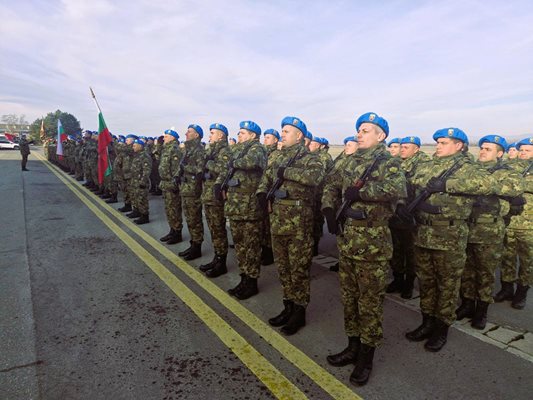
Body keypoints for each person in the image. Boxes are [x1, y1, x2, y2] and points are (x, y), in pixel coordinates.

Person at [322, 112, 406, 386]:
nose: (360, 133)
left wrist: (362, 193)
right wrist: (328, 208)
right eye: (359, 129)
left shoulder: (388, 163)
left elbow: (397, 190)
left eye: (366, 130)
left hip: (372, 242)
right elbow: (332, 184)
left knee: (369, 301)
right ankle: (353, 345)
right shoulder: (349, 160)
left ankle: (366, 357)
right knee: (349, 296)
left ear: (381, 135)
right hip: (348, 239)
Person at [405, 127, 493, 352]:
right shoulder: (428, 164)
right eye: (438, 142)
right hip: (423, 233)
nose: (438, 145)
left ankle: (441, 328)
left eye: (444, 142)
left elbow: (484, 185)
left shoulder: (469, 167)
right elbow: (413, 181)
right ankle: (427, 322)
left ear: (459, 145)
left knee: (448, 284)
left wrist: (446, 185)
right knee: (426, 280)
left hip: (450, 236)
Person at [257, 116, 324, 335]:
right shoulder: (276, 156)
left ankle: (299, 311)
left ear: (299, 136)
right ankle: (287, 305)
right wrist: (261, 195)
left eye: (287, 131)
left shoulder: (309, 157)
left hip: (298, 221)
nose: (283, 134)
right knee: (283, 267)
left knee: (298, 269)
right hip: (277, 219)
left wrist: (286, 172)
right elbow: (266, 179)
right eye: (282, 130)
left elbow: (315, 177)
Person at [456, 135, 523, 329]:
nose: (483, 151)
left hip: (489, 230)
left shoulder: (506, 172)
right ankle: (467, 304)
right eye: (482, 148)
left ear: (500, 153)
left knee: (485, 272)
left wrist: (483, 189)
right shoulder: (470, 170)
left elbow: (514, 188)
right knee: (466, 269)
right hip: (466, 227)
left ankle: (481, 311)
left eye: (488, 149)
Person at [215, 120, 266, 300]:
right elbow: (226, 168)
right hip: (236, 205)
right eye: (239, 133)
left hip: (250, 206)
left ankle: (252, 281)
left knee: (251, 245)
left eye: (243, 133)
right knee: (240, 244)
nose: (239, 135)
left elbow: (251, 162)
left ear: (253, 135)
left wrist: (232, 161)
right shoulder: (237, 149)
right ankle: (244, 278)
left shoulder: (257, 149)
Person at [386, 136, 430, 298]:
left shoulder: (423, 165)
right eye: (401, 147)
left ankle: (409, 283)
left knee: (411, 252)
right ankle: (397, 279)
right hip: (395, 214)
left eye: (406, 147)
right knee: (396, 250)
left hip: (412, 217)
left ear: (416, 149)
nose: (402, 149)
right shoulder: (395, 163)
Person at [495, 137, 533, 309]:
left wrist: (517, 186)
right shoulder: (511, 167)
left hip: (529, 224)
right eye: (522, 150)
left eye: (528, 150)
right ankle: (507, 287)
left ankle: (522, 292)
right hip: (509, 220)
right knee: (507, 256)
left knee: (527, 260)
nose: (524, 153)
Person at [200, 123, 231, 277]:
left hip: (215, 196)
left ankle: (221, 262)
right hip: (208, 194)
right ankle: (217, 257)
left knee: (218, 229)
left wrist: (209, 164)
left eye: (212, 133)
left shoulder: (225, 151)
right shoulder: (212, 149)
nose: (209, 135)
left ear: (221, 135)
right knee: (213, 229)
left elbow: (224, 169)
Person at [176, 124, 206, 261]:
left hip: (193, 189)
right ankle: (193, 244)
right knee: (189, 218)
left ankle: (197, 247)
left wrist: (185, 167)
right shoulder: (188, 150)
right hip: (186, 188)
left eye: (189, 132)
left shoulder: (199, 150)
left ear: (197, 135)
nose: (186, 133)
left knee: (195, 218)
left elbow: (199, 170)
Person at [259, 128, 281, 266]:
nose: (265, 139)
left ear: (275, 140)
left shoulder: (276, 154)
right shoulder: (262, 152)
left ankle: (269, 251)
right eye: (265, 137)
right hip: (261, 190)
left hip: (270, 192)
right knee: (262, 223)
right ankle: (264, 248)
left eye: (269, 137)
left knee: (268, 224)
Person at [158, 129, 184, 245]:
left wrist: (174, 183)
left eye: (166, 136)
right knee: (169, 209)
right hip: (165, 183)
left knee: (174, 209)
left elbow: (176, 169)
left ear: (173, 138)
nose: (164, 138)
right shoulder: (166, 148)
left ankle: (177, 233)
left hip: (171, 183)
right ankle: (172, 230)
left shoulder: (174, 149)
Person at [126, 138, 152, 224]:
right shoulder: (136, 155)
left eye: (134, 146)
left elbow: (146, 170)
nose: (132, 147)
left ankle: (144, 216)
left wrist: (143, 181)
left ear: (140, 146)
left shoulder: (144, 156)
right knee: (135, 197)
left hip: (141, 181)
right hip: (135, 180)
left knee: (142, 199)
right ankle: (136, 211)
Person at [118, 134, 137, 213]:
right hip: (124, 173)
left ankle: (136, 209)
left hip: (131, 174)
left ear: (133, 140)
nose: (126, 141)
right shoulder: (126, 148)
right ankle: (127, 205)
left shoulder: (132, 148)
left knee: (132, 192)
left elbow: (123, 149)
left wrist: (111, 141)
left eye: (128, 139)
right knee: (126, 190)